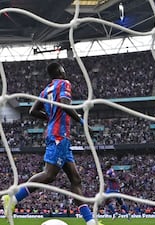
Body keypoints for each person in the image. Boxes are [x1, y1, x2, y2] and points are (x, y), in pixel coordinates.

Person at [1, 62, 103, 225]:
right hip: (59, 136)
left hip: (58, 135)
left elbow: (32, 111)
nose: (65, 72)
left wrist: (51, 119)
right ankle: (13, 198)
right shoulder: (64, 83)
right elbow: (64, 103)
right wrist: (82, 121)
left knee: (75, 180)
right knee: (49, 175)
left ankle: (90, 221)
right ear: (60, 72)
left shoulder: (45, 90)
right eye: (63, 70)